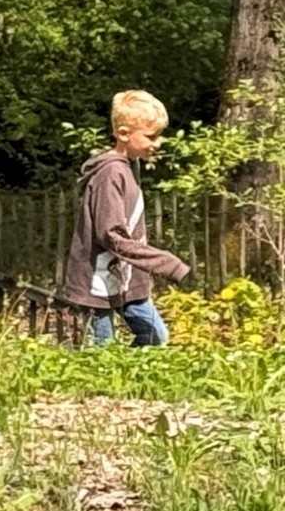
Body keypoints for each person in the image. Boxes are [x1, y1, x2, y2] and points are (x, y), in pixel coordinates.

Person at [58, 89, 191, 347]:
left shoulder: (130, 168)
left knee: (155, 335)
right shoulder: (110, 174)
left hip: (128, 280)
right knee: (102, 349)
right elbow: (111, 235)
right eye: (151, 136)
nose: (158, 143)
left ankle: (133, 381)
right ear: (123, 134)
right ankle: (102, 387)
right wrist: (165, 263)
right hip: (98, 281)